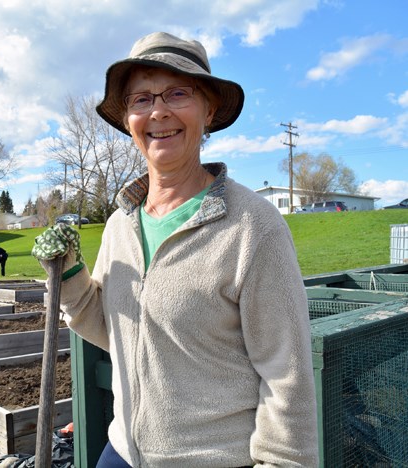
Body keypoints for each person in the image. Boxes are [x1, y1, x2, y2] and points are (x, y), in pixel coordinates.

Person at [32, 32, 318, 467]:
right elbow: (114, 330)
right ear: (129, 119)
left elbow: (287, 374)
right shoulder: (119, 224)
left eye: (177, 93)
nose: (158, 111)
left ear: (209, 110)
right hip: (122, 452)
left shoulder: (254, 226)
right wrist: (69, 273)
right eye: (141, 99)